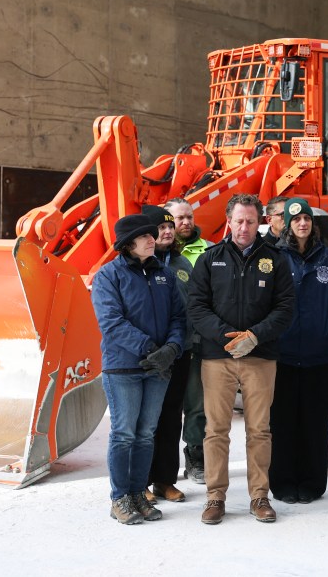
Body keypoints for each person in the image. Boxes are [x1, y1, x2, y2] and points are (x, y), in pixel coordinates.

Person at [188, 194, 295, 525]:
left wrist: (255, 336)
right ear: (228, 220)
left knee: (259, 429)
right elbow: (196, 306)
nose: (244, 227)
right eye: (239, 221)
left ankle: (259, 496)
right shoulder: (210, 259)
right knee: (216, 430)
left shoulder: (276, 260)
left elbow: (286, 307)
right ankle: (215, 497)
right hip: (217, 358)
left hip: (260, 356)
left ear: (260, 221)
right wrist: (226, 337)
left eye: (251, 221)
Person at [91, 213, 186, 525]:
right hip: (124, 368)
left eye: (153, 234)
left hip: (158, 368)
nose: (152, 239)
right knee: (124, 433)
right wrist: (150, 349)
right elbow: (111, 323)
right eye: (145, 235)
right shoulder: (108, 277)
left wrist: (172, 348)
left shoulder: (165, 275)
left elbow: (178, 318)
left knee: (146, 434)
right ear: (128, 243)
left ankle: (137, 494)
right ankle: (119, 498)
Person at [269, 198, 328, 504]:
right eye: (296, 219)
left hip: (320, 356)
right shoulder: (275, 257)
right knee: (284, 422)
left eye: (307, 219)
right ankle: (284, 481)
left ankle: (313, 482)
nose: (302, 223)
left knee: (315, 422)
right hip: (284, 356)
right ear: (287, 224)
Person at [140, 205, 194, 504]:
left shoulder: (183, 264)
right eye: (161, 227)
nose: (168, 231)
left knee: (172, 418)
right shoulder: (139, 264)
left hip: (180, 352)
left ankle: (164, 480)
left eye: (170, 226)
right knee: (148, 420)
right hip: (149, 354)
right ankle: (142, 481)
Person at [165, 197, 213, 484]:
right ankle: (163, 465)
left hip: (198, 341)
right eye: (179, 218)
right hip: (168, 343)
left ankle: (195, 457)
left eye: (189, 217)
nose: (185, 223)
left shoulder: (207, 250)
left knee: (197, 405)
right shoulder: (159, 252)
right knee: (167, 407)